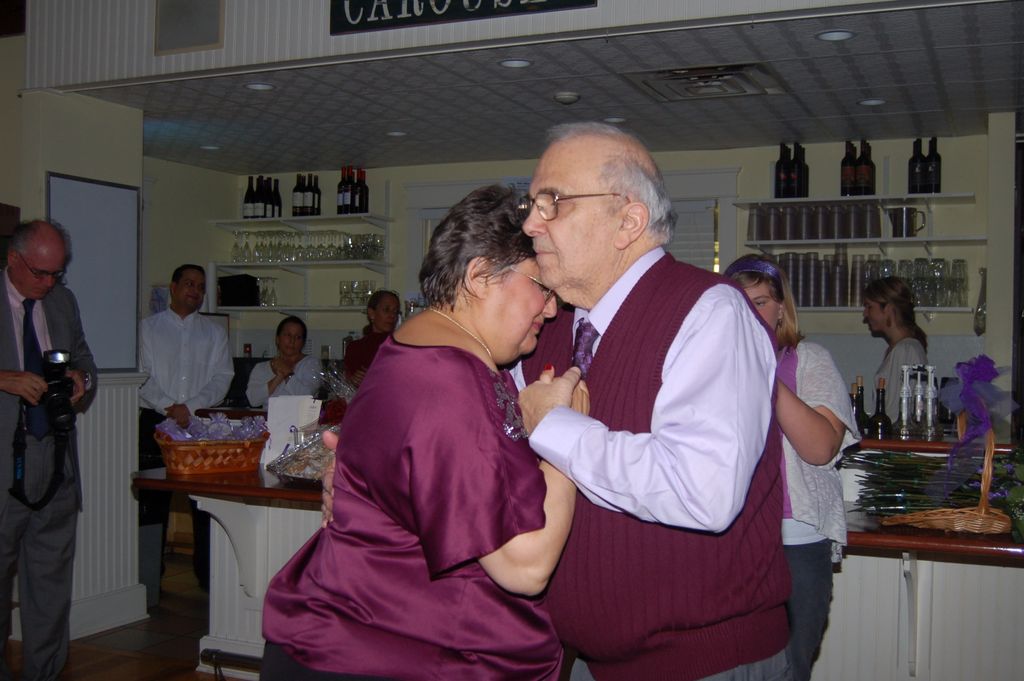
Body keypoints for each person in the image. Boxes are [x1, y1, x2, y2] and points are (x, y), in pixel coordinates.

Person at [261, 185, 579, 681]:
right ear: (478, 277)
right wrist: (566, 430)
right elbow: (525, 566)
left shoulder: (416, 348)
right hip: (389, 652)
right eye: (542, 286)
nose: (553, 308)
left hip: (355, 637)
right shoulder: (450, 381)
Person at [515, 122, 790, 681]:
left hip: (703, 665)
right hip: (588, 660)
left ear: (629, 221)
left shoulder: (711, 312)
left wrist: (555, 426)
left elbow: (701, 491)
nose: (530, 222)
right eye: (532, 202)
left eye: (552, 203)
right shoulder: (550, 325)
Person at [726, 254, 860, 681]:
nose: (752, 313)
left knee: (791, 668)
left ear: (783, 307)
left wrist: (763, 372)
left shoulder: (809, 359)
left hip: (795, 543)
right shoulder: (713, 368)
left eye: (761, 302)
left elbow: (820, 448)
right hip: (731, 543)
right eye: (740, 304)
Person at [0, 220, 96, 681]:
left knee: (50, 588)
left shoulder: (62, 301)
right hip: (3, 464)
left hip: (56, 461)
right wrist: (4, 379)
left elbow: (83, 358)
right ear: (13, 260)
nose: (49, 283)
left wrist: (82, 380)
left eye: (58, 273)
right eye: (40, 273)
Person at [138, 263, 233, 590]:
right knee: (152, 502)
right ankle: (149, 580)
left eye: (201, 286)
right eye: (189, 284)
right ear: (174, 287)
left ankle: (209, 581)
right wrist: (167, 406)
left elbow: (222, 378)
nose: (195, 290)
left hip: (199, 424)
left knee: (203, 503)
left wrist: (188, 409)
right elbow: (142, 376)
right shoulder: (147, 329)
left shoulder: (215, 333)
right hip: (154, 420)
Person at [862, 276, 928, 417]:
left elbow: (894, 413)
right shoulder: (902, 348)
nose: (865, 314)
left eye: (869, 306)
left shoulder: (905, 350)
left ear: (888, 308)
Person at [245, 316, 321, 407]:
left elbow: (308, 396)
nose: (292, 341)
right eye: (288, 335)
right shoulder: (261, 368)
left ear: (303, 342)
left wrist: (288, 374)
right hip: (268, 420)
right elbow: (253, 400)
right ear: (277, 339)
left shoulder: (311, 364)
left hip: (301, 420)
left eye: (298, 337)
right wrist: (278, 378)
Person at [342, 289, 399, 387]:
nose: (392, 315)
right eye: (386, 310)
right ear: (371, 313)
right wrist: (353, 380)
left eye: (395, 311)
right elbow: (347, 384)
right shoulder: (355, 348)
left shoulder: (400, 346)